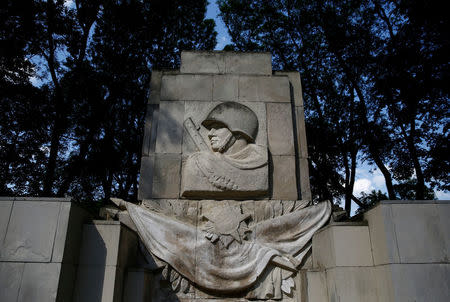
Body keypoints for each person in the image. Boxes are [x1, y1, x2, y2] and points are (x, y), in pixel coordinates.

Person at [181, 102, 268, 198]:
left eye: (218, 128)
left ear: (238, 132)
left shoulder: (261, 164)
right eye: (210, 129)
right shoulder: (197, 163)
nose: (210, 134)